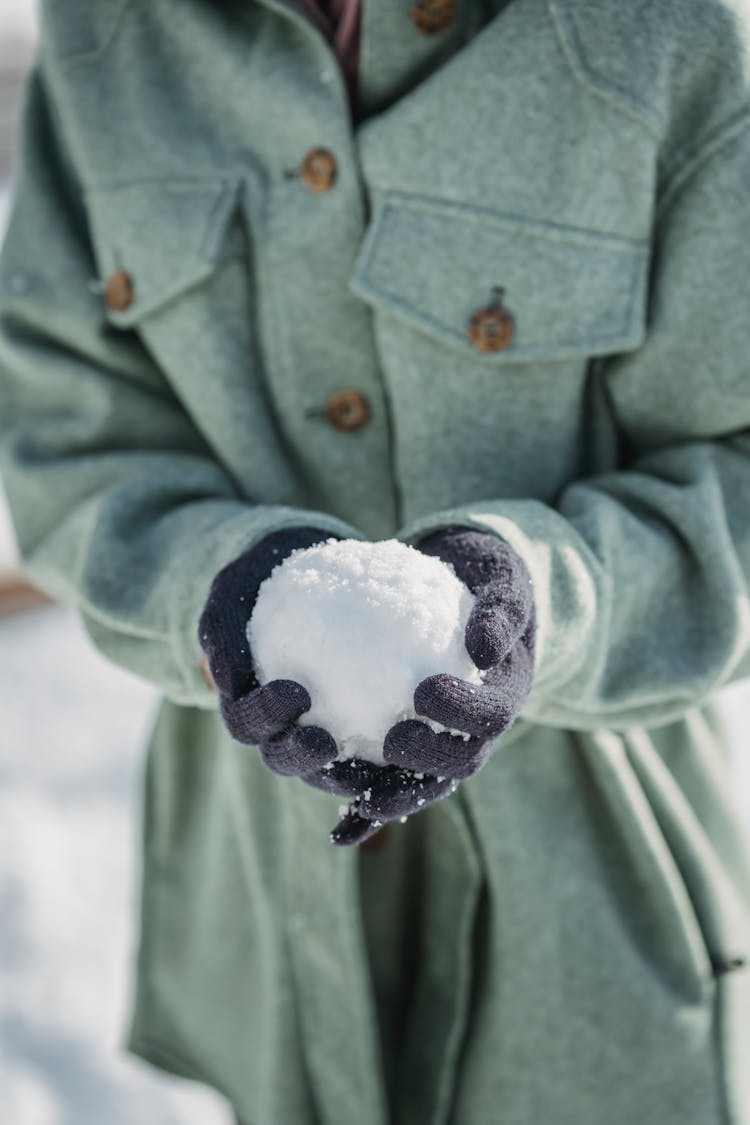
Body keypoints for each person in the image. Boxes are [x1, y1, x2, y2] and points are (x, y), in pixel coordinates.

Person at [1, 1, 749, 1122]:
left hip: (602, 909)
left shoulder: (670, 32)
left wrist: (544, 596)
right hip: (260, 902)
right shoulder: (110, 31)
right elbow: (67, 436)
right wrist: (215, 582)